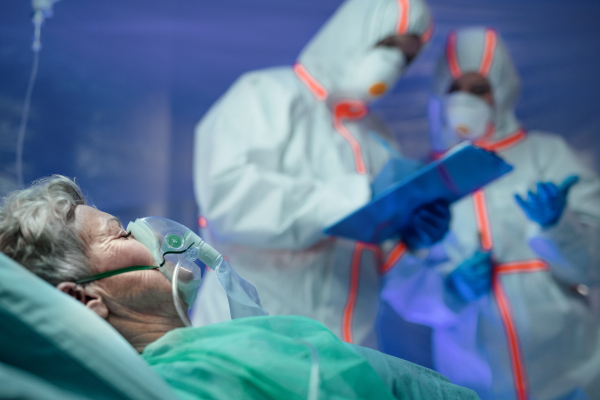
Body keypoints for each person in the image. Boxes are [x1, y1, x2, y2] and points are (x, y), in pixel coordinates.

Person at [0, 175, 479, 400]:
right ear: (84, 298)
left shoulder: (218, 350)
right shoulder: (195, 378)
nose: (147, 235)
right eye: (120, 234)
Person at [192, 0, 449, 349]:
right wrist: (358, 196)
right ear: (352, 33)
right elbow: (228, 200)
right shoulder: (268, 94)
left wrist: (408, 236)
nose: (393, 62)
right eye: (388, 44)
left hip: (349, 356)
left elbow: (373, 254)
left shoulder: (378, 136)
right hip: (252, 341)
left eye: (406, 56)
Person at [381, 27, 600, 400]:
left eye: (479, 88)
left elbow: (591, 267)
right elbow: (397, 279)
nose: (465, 101)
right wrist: (450, 289)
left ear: (502, 90)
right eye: (455, 89)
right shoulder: (422, 180)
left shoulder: (547, 155)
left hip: (569, 361)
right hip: (472, 369)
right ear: (438, 95)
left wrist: (558, 227)